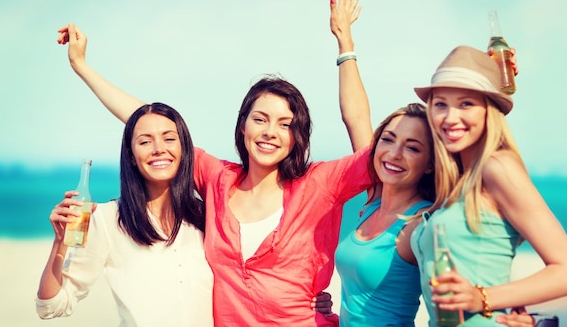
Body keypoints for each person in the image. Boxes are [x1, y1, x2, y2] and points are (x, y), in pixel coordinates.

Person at [56, 24, 373, 326]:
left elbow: (371, 150)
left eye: (285, 124)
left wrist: (346, 49)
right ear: (244, 125)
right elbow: (149, 122)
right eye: (260, 119)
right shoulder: (218, 179)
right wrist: (82, 66)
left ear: (298, 134)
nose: (270, 132)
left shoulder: (319, 184)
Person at [330, 0, 538, 327]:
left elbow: (491, 247)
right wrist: (344, 42)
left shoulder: (423, 222)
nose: (394, 153)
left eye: (413, 147)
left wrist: (488, 88)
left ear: (430, 164)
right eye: (389, 139)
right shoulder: (373, 199)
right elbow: (355, 116)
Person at [411, 44, 567, 326]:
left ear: (488, 110)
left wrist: (484, 297)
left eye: (466, 103)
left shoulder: (497, 166)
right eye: (441, 104)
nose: (450, 117)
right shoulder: (458, 181)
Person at [35, 103, 213, 326]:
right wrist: (60, 243)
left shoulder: (203, 215)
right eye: (145, 141)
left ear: (184, 149)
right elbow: (51, 306)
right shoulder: (107, 220)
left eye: (169, 138)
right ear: (130, 155)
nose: (158, 148)